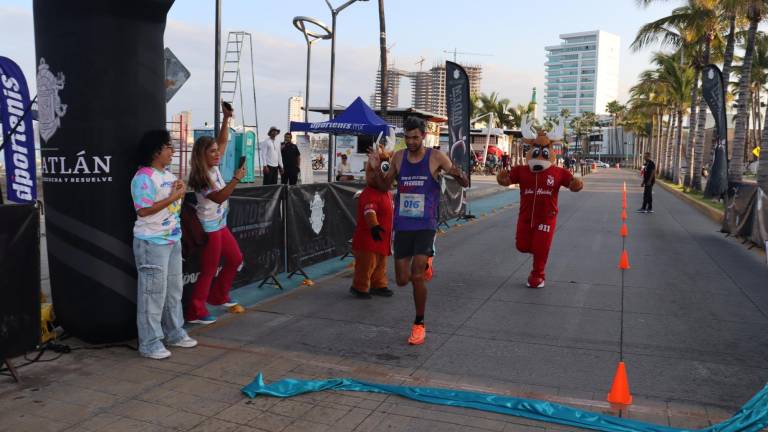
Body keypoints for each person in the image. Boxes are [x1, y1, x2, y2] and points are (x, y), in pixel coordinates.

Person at [368, 116, 469, 345]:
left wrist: (458, 174)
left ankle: (419, 324)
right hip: (403, 225)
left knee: (416, 276)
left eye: (416, 137)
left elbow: (463, 182)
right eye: (408, 137)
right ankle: (426, 263)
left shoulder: (436, 157)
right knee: (402, 280)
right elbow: (384, 187)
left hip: (426, 224)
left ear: (423, 135)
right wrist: (375, 170)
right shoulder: (399, 158)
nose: (412, 141)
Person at [131, 130, 197, 359]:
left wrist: (178, 189)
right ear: (155, 151)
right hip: (152, 242)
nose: (173, 151)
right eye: (168, 147)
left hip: (172, 239)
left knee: (173, 290)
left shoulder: (166, 174)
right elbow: (143, 210)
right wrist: (172, 197)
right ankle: (149, 342)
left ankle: (175, 332)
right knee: (153, 293)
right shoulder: (143, 178)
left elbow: (175, 201)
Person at [497, 116, 583, 288]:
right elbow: (507, 180)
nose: (540, 156)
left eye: (544, 152)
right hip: (525, 216)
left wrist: (575, 184)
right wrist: (503, 177)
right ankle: (534, 247)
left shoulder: (559, 172)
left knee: (541, 248)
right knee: (521, 245)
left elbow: (572, 184)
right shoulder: (521, 170)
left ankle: (538, 276)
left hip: (547, 217)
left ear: (551, 152)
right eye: (536, 151)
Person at [185, 102, 246, 325]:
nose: (218, 153)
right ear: (203, 154)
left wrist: (226, 119)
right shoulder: (201, 177)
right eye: (212, 152)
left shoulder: (212, 165)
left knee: (235, 259)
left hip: (220, 224)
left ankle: (218, 296)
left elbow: (222, 141)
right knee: (209, 269)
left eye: (216, 151)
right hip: (210, 228)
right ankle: (195, 311)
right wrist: (236, 179)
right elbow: (219, 197)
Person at [350, 145, 394, 299]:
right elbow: (369, 211)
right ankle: (359, 286)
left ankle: (379, 284)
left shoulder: (386, 193)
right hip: (369, 239)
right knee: (366, 264)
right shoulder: (370, 193)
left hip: (382, 239)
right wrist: (374, 226)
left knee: (380, 263)